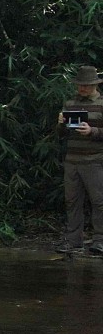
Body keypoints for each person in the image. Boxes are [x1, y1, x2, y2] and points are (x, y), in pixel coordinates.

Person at [56, 64, 103, 256]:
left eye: (86, 85)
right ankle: (74, 240)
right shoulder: (70, 104)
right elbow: (60, 135)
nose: (82, 88)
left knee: (99, 201)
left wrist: (93, 131)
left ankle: (100, 241)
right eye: (80, 85)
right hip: (72, 159)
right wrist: (60, 124)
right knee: (72, 201)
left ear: (94, 85)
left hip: (94, 160)